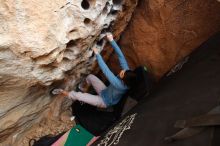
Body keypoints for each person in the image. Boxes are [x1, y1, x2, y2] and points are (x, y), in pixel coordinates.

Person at [52, 33, 137, 108]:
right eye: (124, 71)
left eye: (122, 73)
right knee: (90, 77)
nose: (122, 71)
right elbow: (121, 56)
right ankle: (83, 88)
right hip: (105, 91)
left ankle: (62, 92)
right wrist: (112, 40)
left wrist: (97, 55)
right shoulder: (126, 73)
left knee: (79, 96)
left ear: (123, 78)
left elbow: (106, 71)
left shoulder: (119, 85)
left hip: (104, 101)